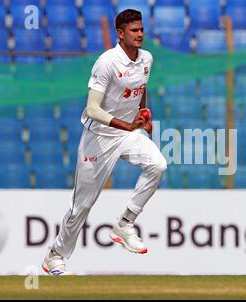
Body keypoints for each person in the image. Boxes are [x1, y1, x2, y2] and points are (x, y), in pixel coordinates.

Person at [42, 9, 167, 275]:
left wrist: (143, 113)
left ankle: (124, 224)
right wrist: (128, 124)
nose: (140, 34)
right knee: (82, 206)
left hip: (128, 134)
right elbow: (93, 110)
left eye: (142, 29)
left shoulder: (147, 58)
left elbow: (139, 90)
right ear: (120, 34)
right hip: (98, 139)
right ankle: (55, 256)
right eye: (134, 30)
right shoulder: (107, 62)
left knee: (158, 165)